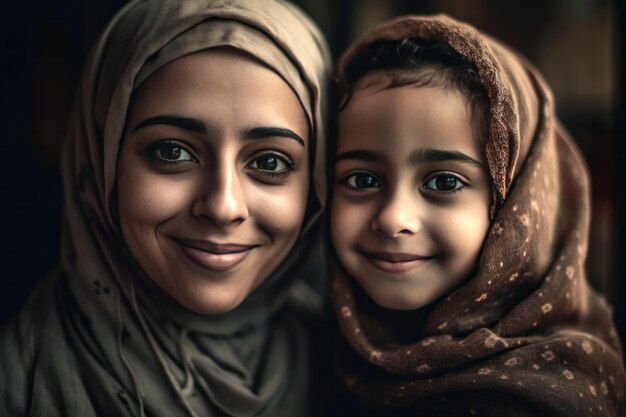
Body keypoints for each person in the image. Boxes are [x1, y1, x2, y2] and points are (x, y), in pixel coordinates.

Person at [0, 0, 330, 416]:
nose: (223, 206)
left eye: (269, 162)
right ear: (103, 159)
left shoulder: (353, 375)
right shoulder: (18, 385)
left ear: (316, 183)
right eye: (172, 151)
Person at [329, 14, 625, 416]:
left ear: (519, 205)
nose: (393, 217)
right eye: (362, 180)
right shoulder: (320, 346)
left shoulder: (545, 397)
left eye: (444, 183)